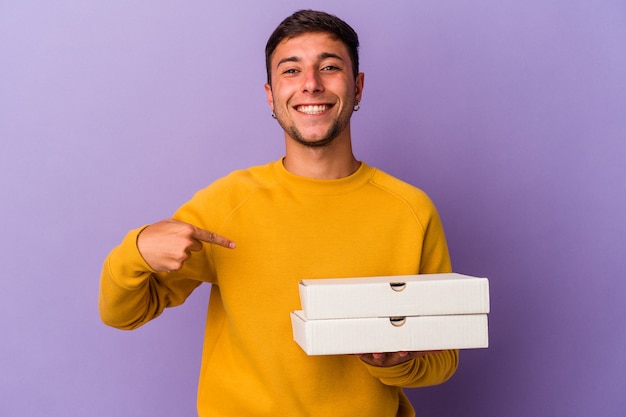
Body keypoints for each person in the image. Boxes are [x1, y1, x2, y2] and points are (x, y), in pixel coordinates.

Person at [99, 9, 458, 417]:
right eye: (292, 70)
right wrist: (138, 249)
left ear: (357, 87)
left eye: (329, 66)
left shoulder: (410, 210)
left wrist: (400, 363)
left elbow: (443, 356)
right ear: (271, 95)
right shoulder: (227, 203)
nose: (311, 84)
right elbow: (121, 314)